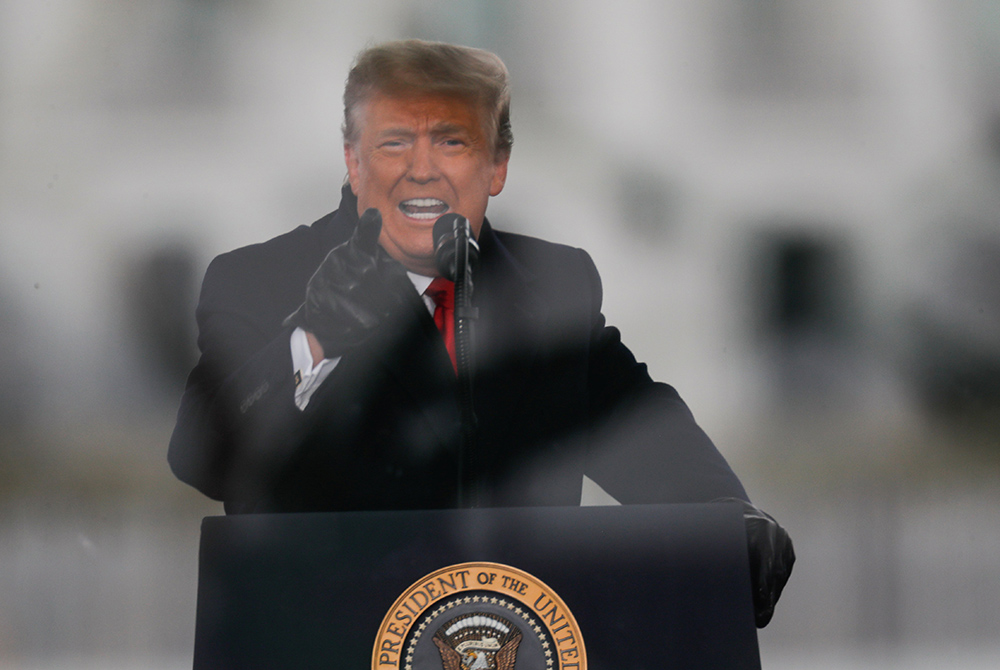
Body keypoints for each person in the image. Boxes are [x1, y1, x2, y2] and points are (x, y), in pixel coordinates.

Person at [168, 39, 793, 626]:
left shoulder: (551, 285)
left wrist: (725, 519)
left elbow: (634, 425)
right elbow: (203, 454)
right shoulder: (259, 277)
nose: (422, 170)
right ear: (353, 162)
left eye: (452, 142)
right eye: (393, 142)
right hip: (325, 636)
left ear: (496, 166)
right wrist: (313, 337)